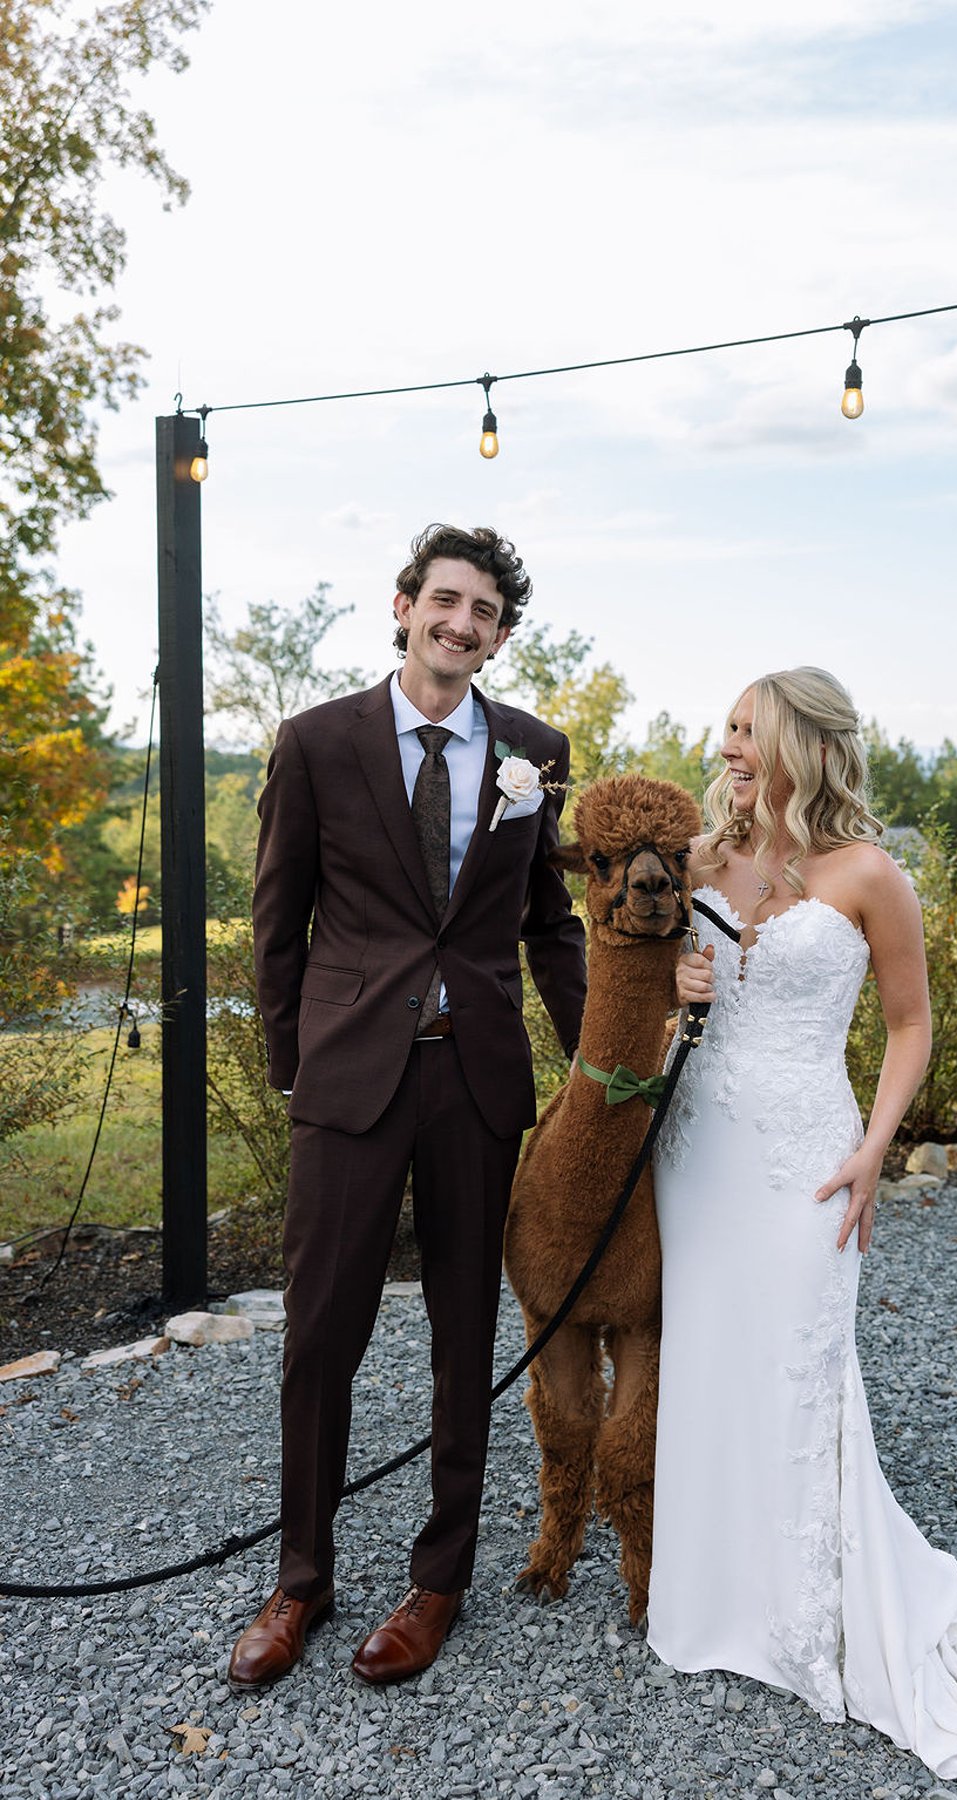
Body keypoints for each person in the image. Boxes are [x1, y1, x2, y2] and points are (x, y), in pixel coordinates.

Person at [647, 667, 957, 1780]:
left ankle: (812, 1615)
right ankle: (713, 1602)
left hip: (809, 1158)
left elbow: (910, 1022)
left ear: (808, 746)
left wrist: (876, 1148)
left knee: (798, 1370)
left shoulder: (868, 873)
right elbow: (642, 981)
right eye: (726, 728)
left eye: (751, 731)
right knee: (711, 1361)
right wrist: (676, 985)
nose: (729, 747)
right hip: (700, 1157)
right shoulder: (700, 859)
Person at [228, 524, 587, 1690]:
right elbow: (277, 922)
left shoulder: (535, 752)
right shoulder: (317, 743)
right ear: (403, 606)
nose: (462, 624)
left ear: (498, 633)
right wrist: (296, 1066)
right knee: (321, 1333)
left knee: (460, 1336)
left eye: (484, 611)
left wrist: (593, 1067)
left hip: (475, 1077)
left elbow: (548, 923)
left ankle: (440, 1582)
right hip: (350, 1076)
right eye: (447, 601)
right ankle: (301, 1583)